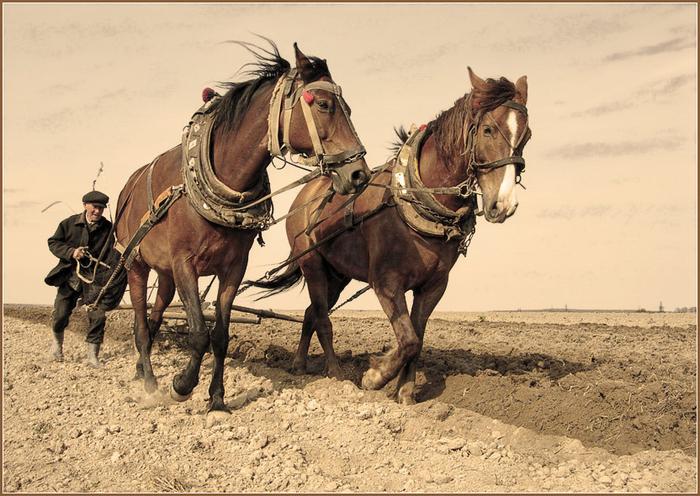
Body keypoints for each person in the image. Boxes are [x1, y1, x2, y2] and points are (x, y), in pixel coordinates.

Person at [45, 190, 114, 367]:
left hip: (93, 280)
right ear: (85, 206)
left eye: (101, 208)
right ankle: (57, 346)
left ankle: (92, 357)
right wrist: (71, 252)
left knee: (98, 316)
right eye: (94, 207)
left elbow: (112, 253)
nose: (97, 211)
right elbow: (53, 243)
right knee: (60, 314)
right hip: (70, 277)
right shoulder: (68, 224)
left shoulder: (108, 229)